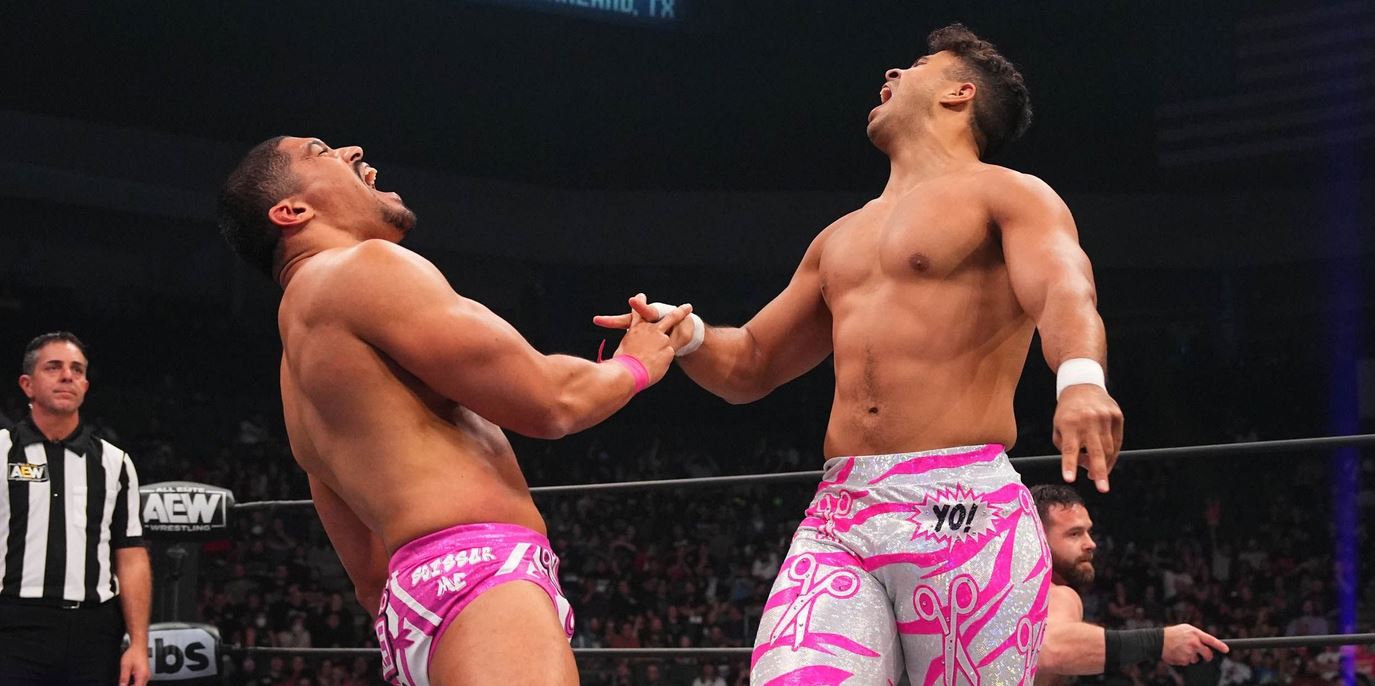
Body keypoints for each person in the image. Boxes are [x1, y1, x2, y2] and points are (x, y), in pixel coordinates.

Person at [596, 23, 1124, 684]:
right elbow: (753, 361)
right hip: (841, 512)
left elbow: (1063, 289)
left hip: (961, 507)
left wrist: (1081, 380)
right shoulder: (838, 238)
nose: (892, 74)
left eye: (917, 65)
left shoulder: (1010, 194)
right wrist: (687, 334)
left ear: (960, 93)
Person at [217, 136, 691, 686]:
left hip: (410, 608)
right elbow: (550, 401)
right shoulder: (362, 267)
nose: (352, 150)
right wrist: (635, 365)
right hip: (479, 577)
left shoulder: (294, 372)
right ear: (292, 211)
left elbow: (368, 575)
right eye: (320, 152)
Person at [0, 332, 152, 685]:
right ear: (27, 384)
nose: (67, 376)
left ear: (85, 385)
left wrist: (138, 644)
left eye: (77, 369)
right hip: (13, 625)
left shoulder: (115, 462)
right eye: (53, 367)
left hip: (94, 630)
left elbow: (131, 555)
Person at [1029, 484, 1228, 685]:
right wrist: (1160, 642)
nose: (1091, 543)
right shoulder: (1056, 594)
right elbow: (1052, 648)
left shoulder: (1022, 592)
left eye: (1088, 532)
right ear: (1036, 539)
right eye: (1074, 533)